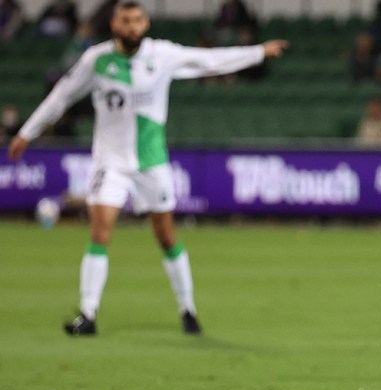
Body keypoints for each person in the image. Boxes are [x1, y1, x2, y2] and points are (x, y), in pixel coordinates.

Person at [6, 1, 289, 336]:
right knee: (100, 231)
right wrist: (27, 132)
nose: (132, 26)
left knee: (166, 236)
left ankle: (188, 309)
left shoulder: (162, 55)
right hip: (110, 162)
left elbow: (210, 61)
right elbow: (62, 95)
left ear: (146, 23)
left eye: (138, 20)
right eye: (126, 20)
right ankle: (89, 313)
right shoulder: (96, 60)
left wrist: (258, 52)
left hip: (151, 163)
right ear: (114, 24)